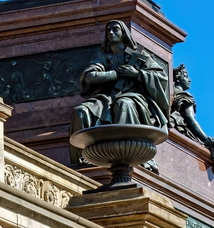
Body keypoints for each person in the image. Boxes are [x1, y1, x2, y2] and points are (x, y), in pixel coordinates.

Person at [70, 20, 169, 165]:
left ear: (124, 33)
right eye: (108, 30)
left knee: (124, 104)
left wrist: (136, 74)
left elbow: (161, 77)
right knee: (80, 111)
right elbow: (90, 76)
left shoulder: (139, 55)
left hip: (134, 97)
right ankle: (84, 158)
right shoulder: (104, 56)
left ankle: (129, 155)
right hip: (107, 98)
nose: (111, 32)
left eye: (115, 29)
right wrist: (115, 74)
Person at [170, 64, 214, 209]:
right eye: (186, 76)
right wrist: (206, 139)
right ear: (178, 77)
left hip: (178, 128)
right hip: (185, 131)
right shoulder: (184, 97)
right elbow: (190, 120)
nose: (190, 80)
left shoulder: (172, 94)